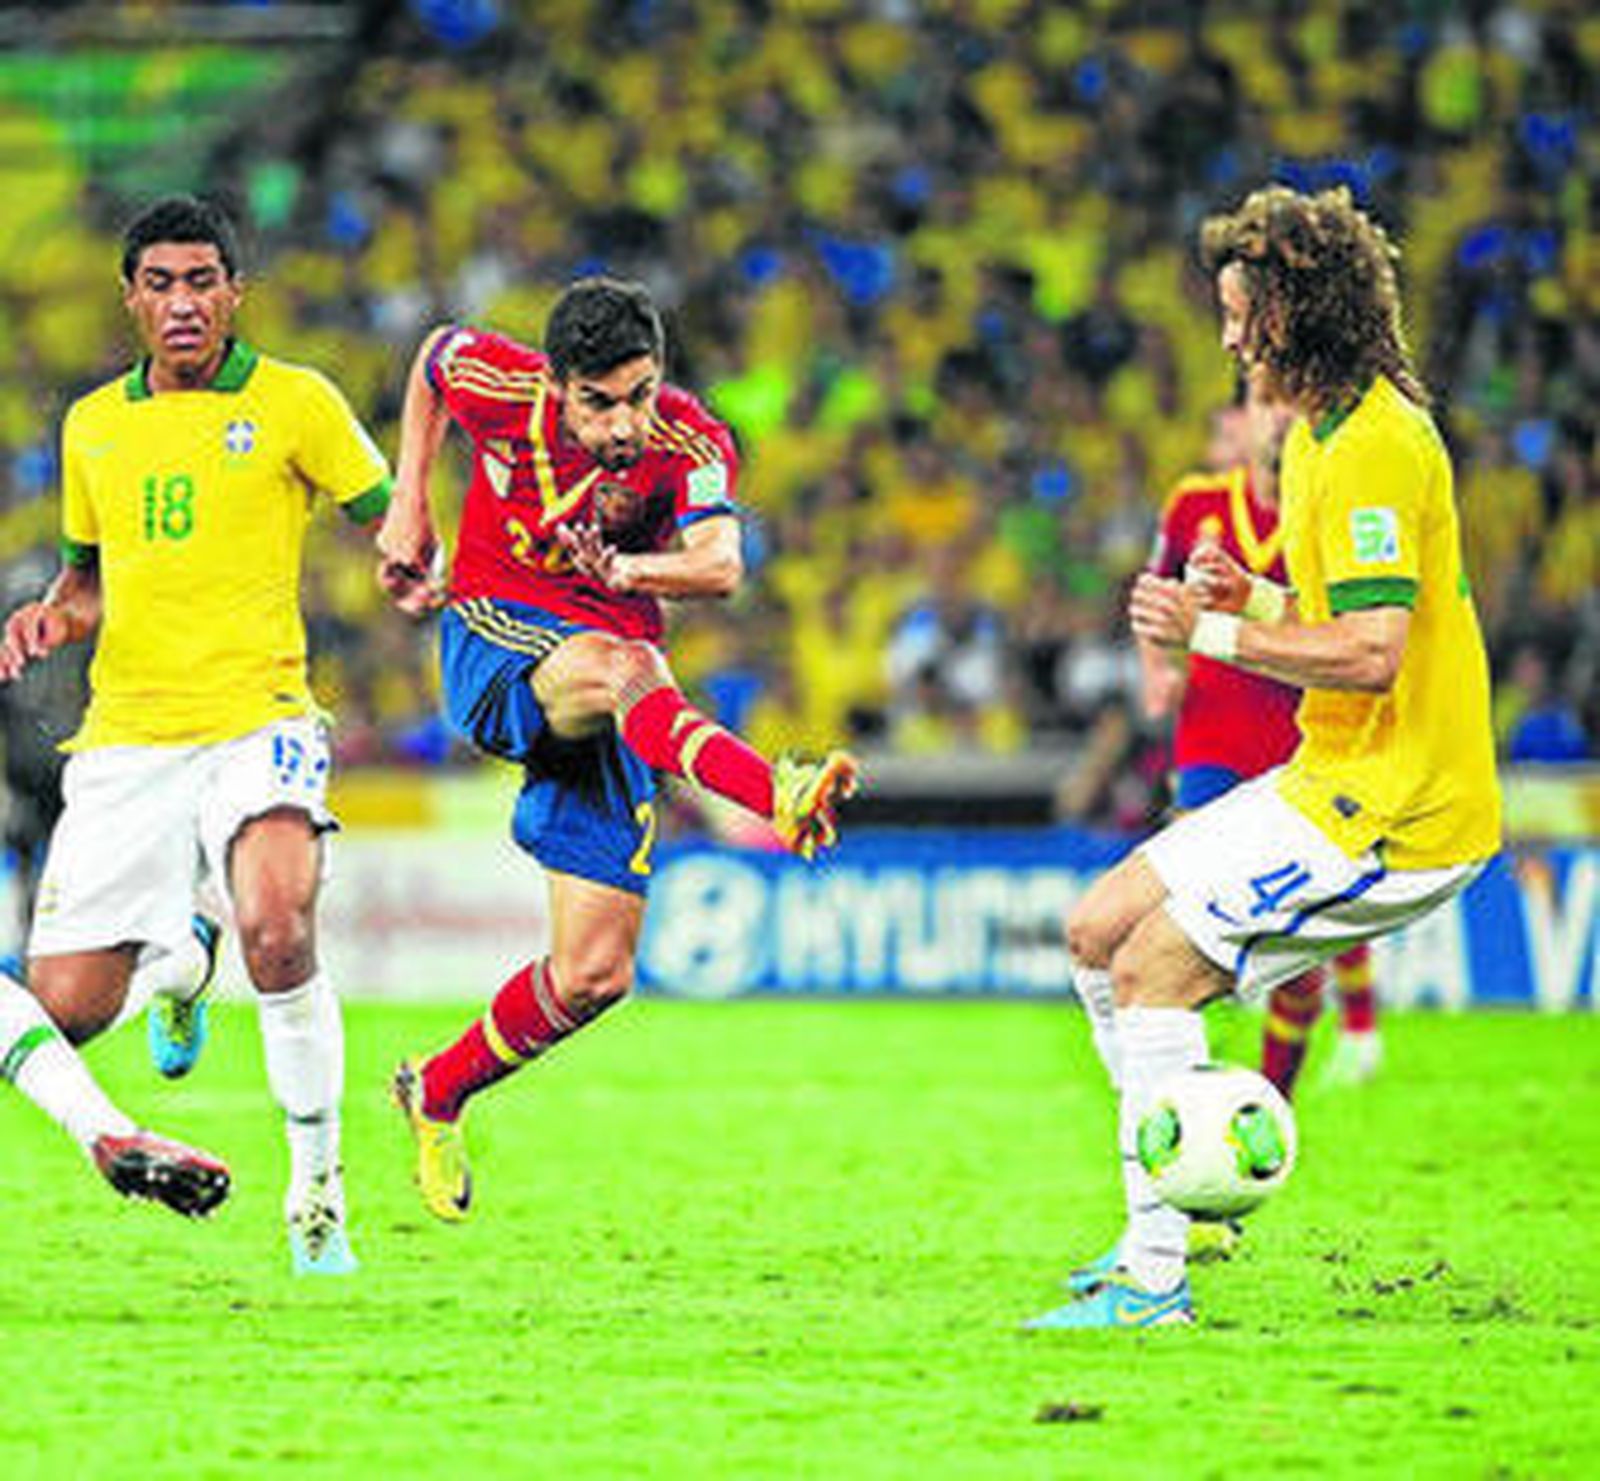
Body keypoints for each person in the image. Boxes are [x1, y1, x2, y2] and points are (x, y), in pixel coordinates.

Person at [1028, 184, 1501, 1329]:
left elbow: (1378, 653)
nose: (1232, 339)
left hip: (1401, 809)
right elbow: (1342, 610)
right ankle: (1169, 1203)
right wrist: (1263, 594)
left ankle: (1154, 1275)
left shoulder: (1381, 443)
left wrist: (1218, 630)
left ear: (1304, 310)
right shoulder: (1320, 440)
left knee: (1153, 971)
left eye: (1246, 315)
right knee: (1096, 931)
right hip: (1326, 776)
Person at [378, 277, 857, 1223]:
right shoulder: (501, 385)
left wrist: (632, 567)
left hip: (614, 689)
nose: (623, 424)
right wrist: (412, 506)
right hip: (497, 635)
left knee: (595, 971)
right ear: (556, 386)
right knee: (622, 658)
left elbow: (721, 563)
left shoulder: (690, 440)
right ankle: (775, 791)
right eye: (598, 403)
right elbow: (434, 358)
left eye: (639, 394)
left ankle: (437, 1091)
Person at [0, 196, 395, 1274]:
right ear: (131, 298)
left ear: (234, 292)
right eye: (161, 283)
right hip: (126, 738)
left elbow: (390, 518)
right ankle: (183, 956)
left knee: (279, 923)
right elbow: (88, 583)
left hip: (257, 715)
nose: (183, 302)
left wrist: (411, 562)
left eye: (201, 280)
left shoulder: (296, 401)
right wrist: (51, 616)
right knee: (66, 1009)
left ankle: (317, 1192)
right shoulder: (94, 424)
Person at [1139, 391, 1383, 1104]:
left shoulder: (1326, 507)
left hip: (1303, 742)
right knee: (1182, 901)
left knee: (1293, 941)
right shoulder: (1194, 505)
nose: (1274, 416)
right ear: (1239, 423)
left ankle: (1273, 1098)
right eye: (1260, 404)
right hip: (1211, 737)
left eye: (1286, 405)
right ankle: (1177, 1077)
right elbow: (1155, 592)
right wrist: (1158, 665)